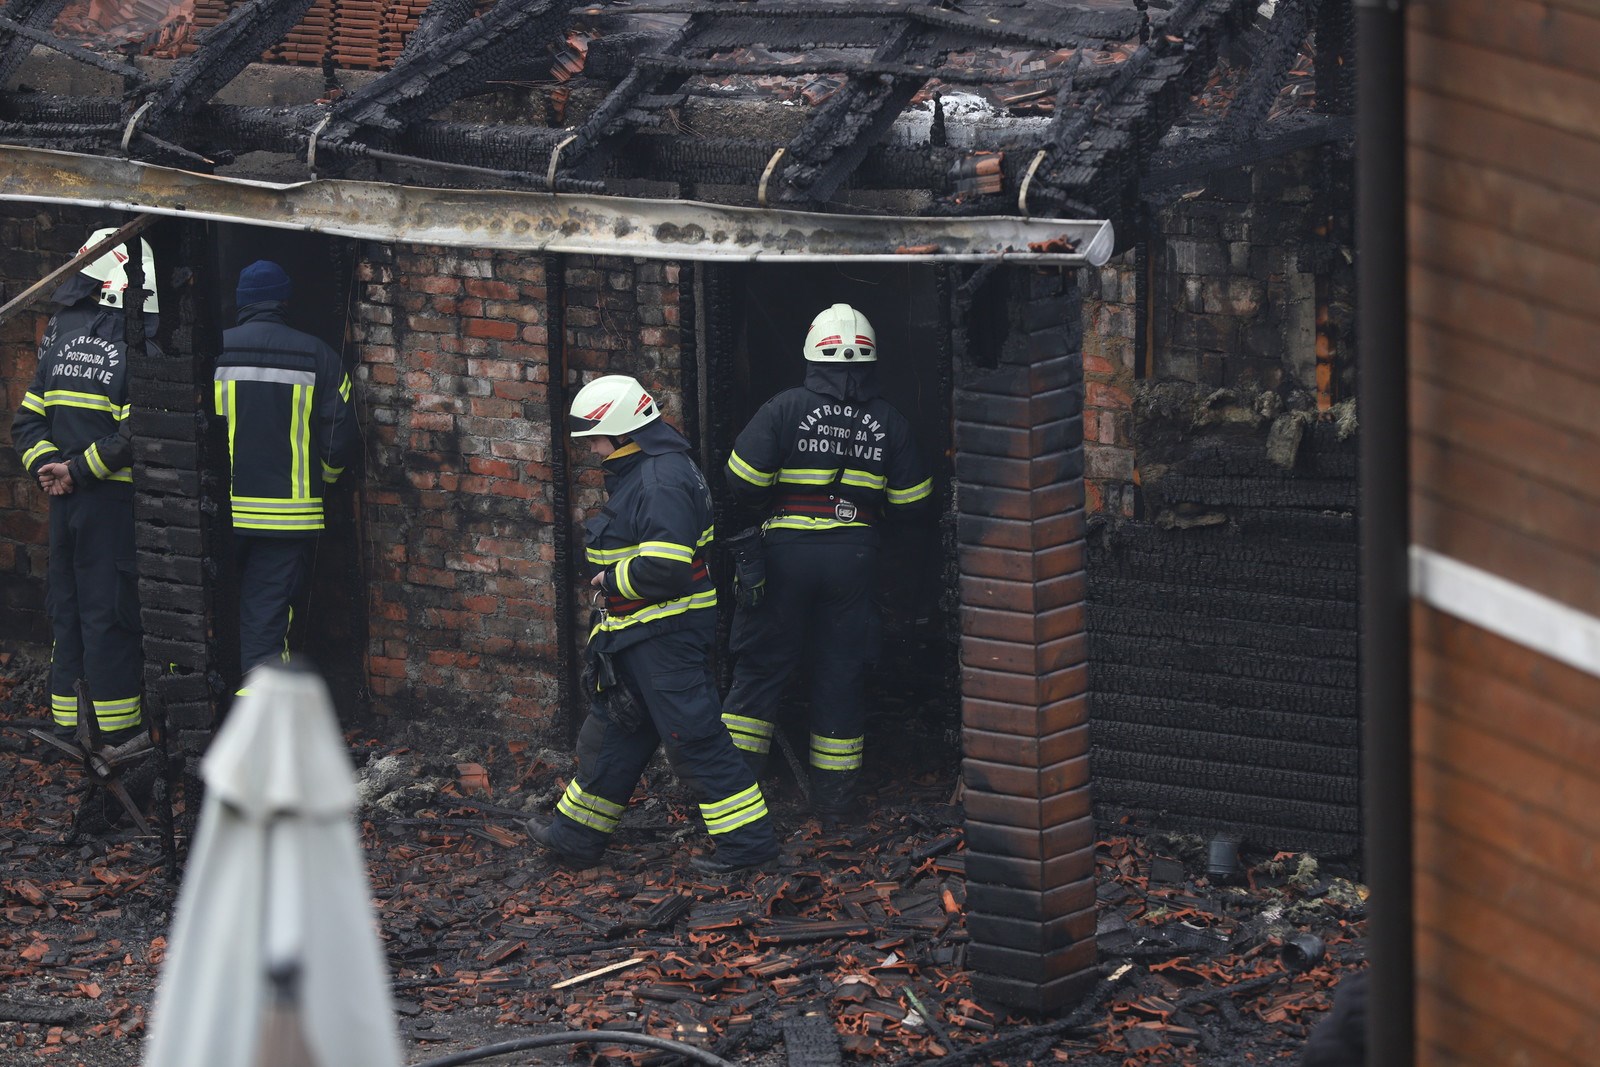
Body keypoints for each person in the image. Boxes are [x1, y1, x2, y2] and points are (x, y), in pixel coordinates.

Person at [526, 374, 780, 876]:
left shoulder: (661, 480)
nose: (592, 449)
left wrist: (608, 580)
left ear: (624, 433)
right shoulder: (649, 471)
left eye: (596, 438)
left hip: (664, 637)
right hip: (637, 636)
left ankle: (750, 849)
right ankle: (575, 837)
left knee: (697, 739)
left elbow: (665, 569)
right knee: (613, 735)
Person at [720, 302, 932, 824]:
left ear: (813, 354)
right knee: (841, 675)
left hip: (784, 555)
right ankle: (834, 806)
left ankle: (729, 795)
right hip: (854, 559)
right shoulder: (890, 421)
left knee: (761, 671)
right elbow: (914, 503)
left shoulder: (784, 408)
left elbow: (741, 482)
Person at [11, 228, 159, 745]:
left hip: (63, 506)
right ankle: (115, 739)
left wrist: (50, 466)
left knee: (66, 610)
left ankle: (69, 731)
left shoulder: (62, 336)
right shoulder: (136, 342)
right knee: (107, 615)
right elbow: (137, 430)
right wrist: (78, 471)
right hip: (109, 506)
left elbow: (26, 423)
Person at [213, 260, 355, 684]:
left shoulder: (210, 351)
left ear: (241, 303)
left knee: (208, 609)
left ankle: (203, 716)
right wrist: (325, 480)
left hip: (219, 514)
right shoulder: (319, 355)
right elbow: (339, 434)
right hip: (287, 517)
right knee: (267, 618)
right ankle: (259, 722)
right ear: (284, 302)